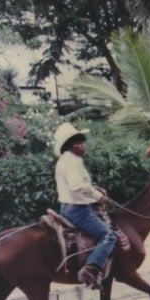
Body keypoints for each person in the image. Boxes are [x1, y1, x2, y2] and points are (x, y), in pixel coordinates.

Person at [53, 122, 117, 289]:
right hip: (78, 210)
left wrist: (94, 189)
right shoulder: (73, 161)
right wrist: (99, 197)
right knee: (108, 236)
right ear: (73, 145)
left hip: (68, 207)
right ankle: (89, 270)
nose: (84, 146)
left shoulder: (65, 160)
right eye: (81, 143)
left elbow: (76, 184)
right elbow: (76, 186)